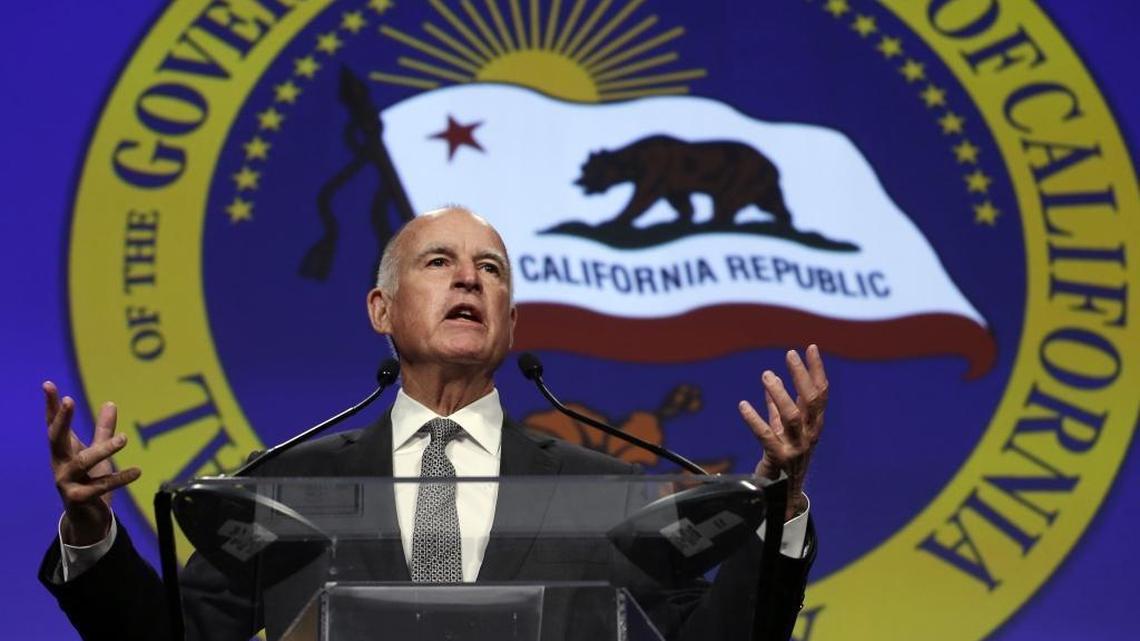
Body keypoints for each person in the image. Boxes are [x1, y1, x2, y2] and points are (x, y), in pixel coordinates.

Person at [40, 206, 829, 641]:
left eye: (490, 269)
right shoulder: (287, 489)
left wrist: (779, 507)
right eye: (439, 261)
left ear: (510, 325)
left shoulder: (612, 492)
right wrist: (89, 527)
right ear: (381, 309)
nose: (468, 277)